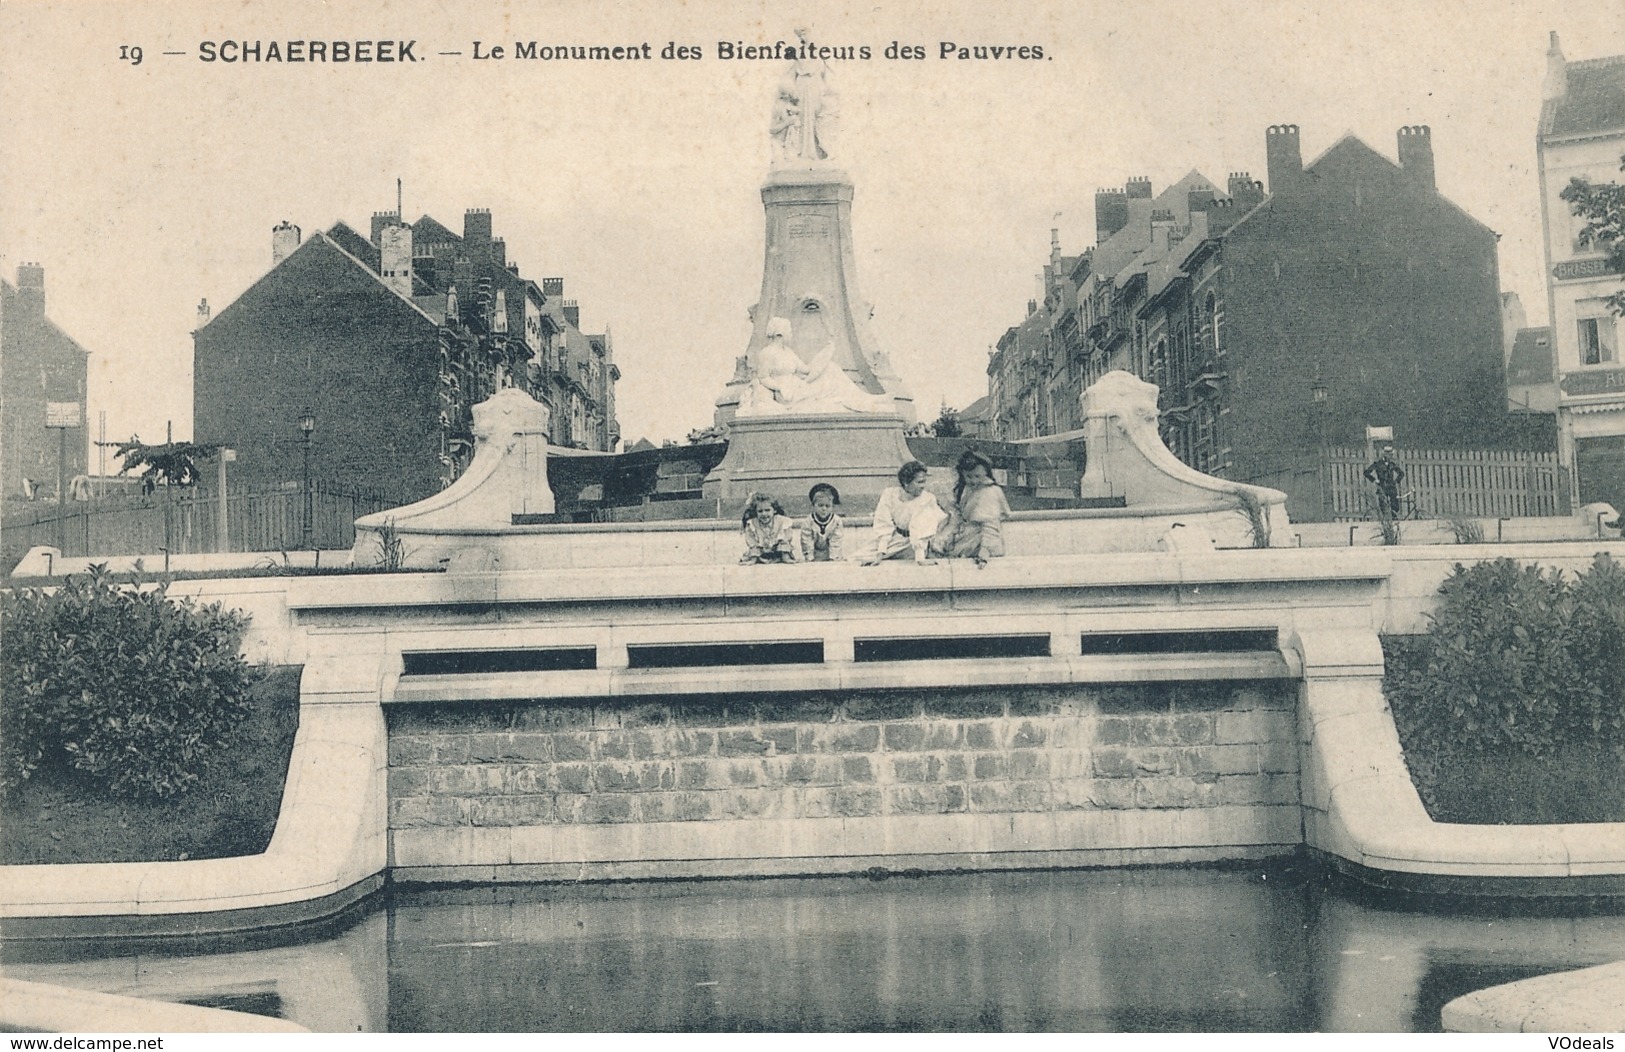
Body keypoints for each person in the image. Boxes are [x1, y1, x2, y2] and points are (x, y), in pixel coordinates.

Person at [863, 461, 948, 564]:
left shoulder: (927, 499)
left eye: (924, 482)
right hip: (893, 540)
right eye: (919, 482)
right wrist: (880, 553)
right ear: (906, 483)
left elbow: (921, 529)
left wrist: (920, 558)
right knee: (857, 559)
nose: (923, 486)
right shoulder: (889, 494)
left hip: (912, 545)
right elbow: (883, 523)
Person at [942, 450, 1013, 566]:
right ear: (963, 474)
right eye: (969, 476)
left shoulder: (989, 492)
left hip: (982, 541)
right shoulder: (966, 489)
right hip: (966, 536)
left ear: (986, 473)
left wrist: (984, 552)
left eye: (977, 476)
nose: (974, 480)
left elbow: (990, 524)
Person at [739, 492, 801, 564]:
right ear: (756, 512)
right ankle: (754, 559)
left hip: (779, 552)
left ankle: (785, 557)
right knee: (752, 554)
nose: (764, 514)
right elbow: (752, 542)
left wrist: (785, 555)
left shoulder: (782, 521)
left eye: (767, 510)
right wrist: (753, 558)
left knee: (784, 545)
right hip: (760, 553)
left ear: (774, 510)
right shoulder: (752, 524)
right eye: (760, 511)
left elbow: (786, 538)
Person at [798, 482, 846, 562]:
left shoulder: (836, 521)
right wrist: (810, 558)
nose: (824, 509)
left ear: (832, 506)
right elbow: (806, 541)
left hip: (832, 556)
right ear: (813, 505)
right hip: (814, 556)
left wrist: (833, 558)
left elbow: (836, 541)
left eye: (827, 506)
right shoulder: (808, 522)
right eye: (820, 505)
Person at [1363, 445, 1406, 519]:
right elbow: (1366, 473)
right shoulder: (1378, 464)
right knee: (1383, 506)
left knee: (1395, 506)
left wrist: (1396, 481)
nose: (1390, 456)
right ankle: (1385, 521)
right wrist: (1374, 480)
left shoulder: (1392, 464)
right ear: (1385, 454)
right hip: (1382, 487)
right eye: (1389, 454)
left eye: (1391, 454)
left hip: (1391, 488)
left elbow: (1401, 473)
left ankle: (1394, 520)